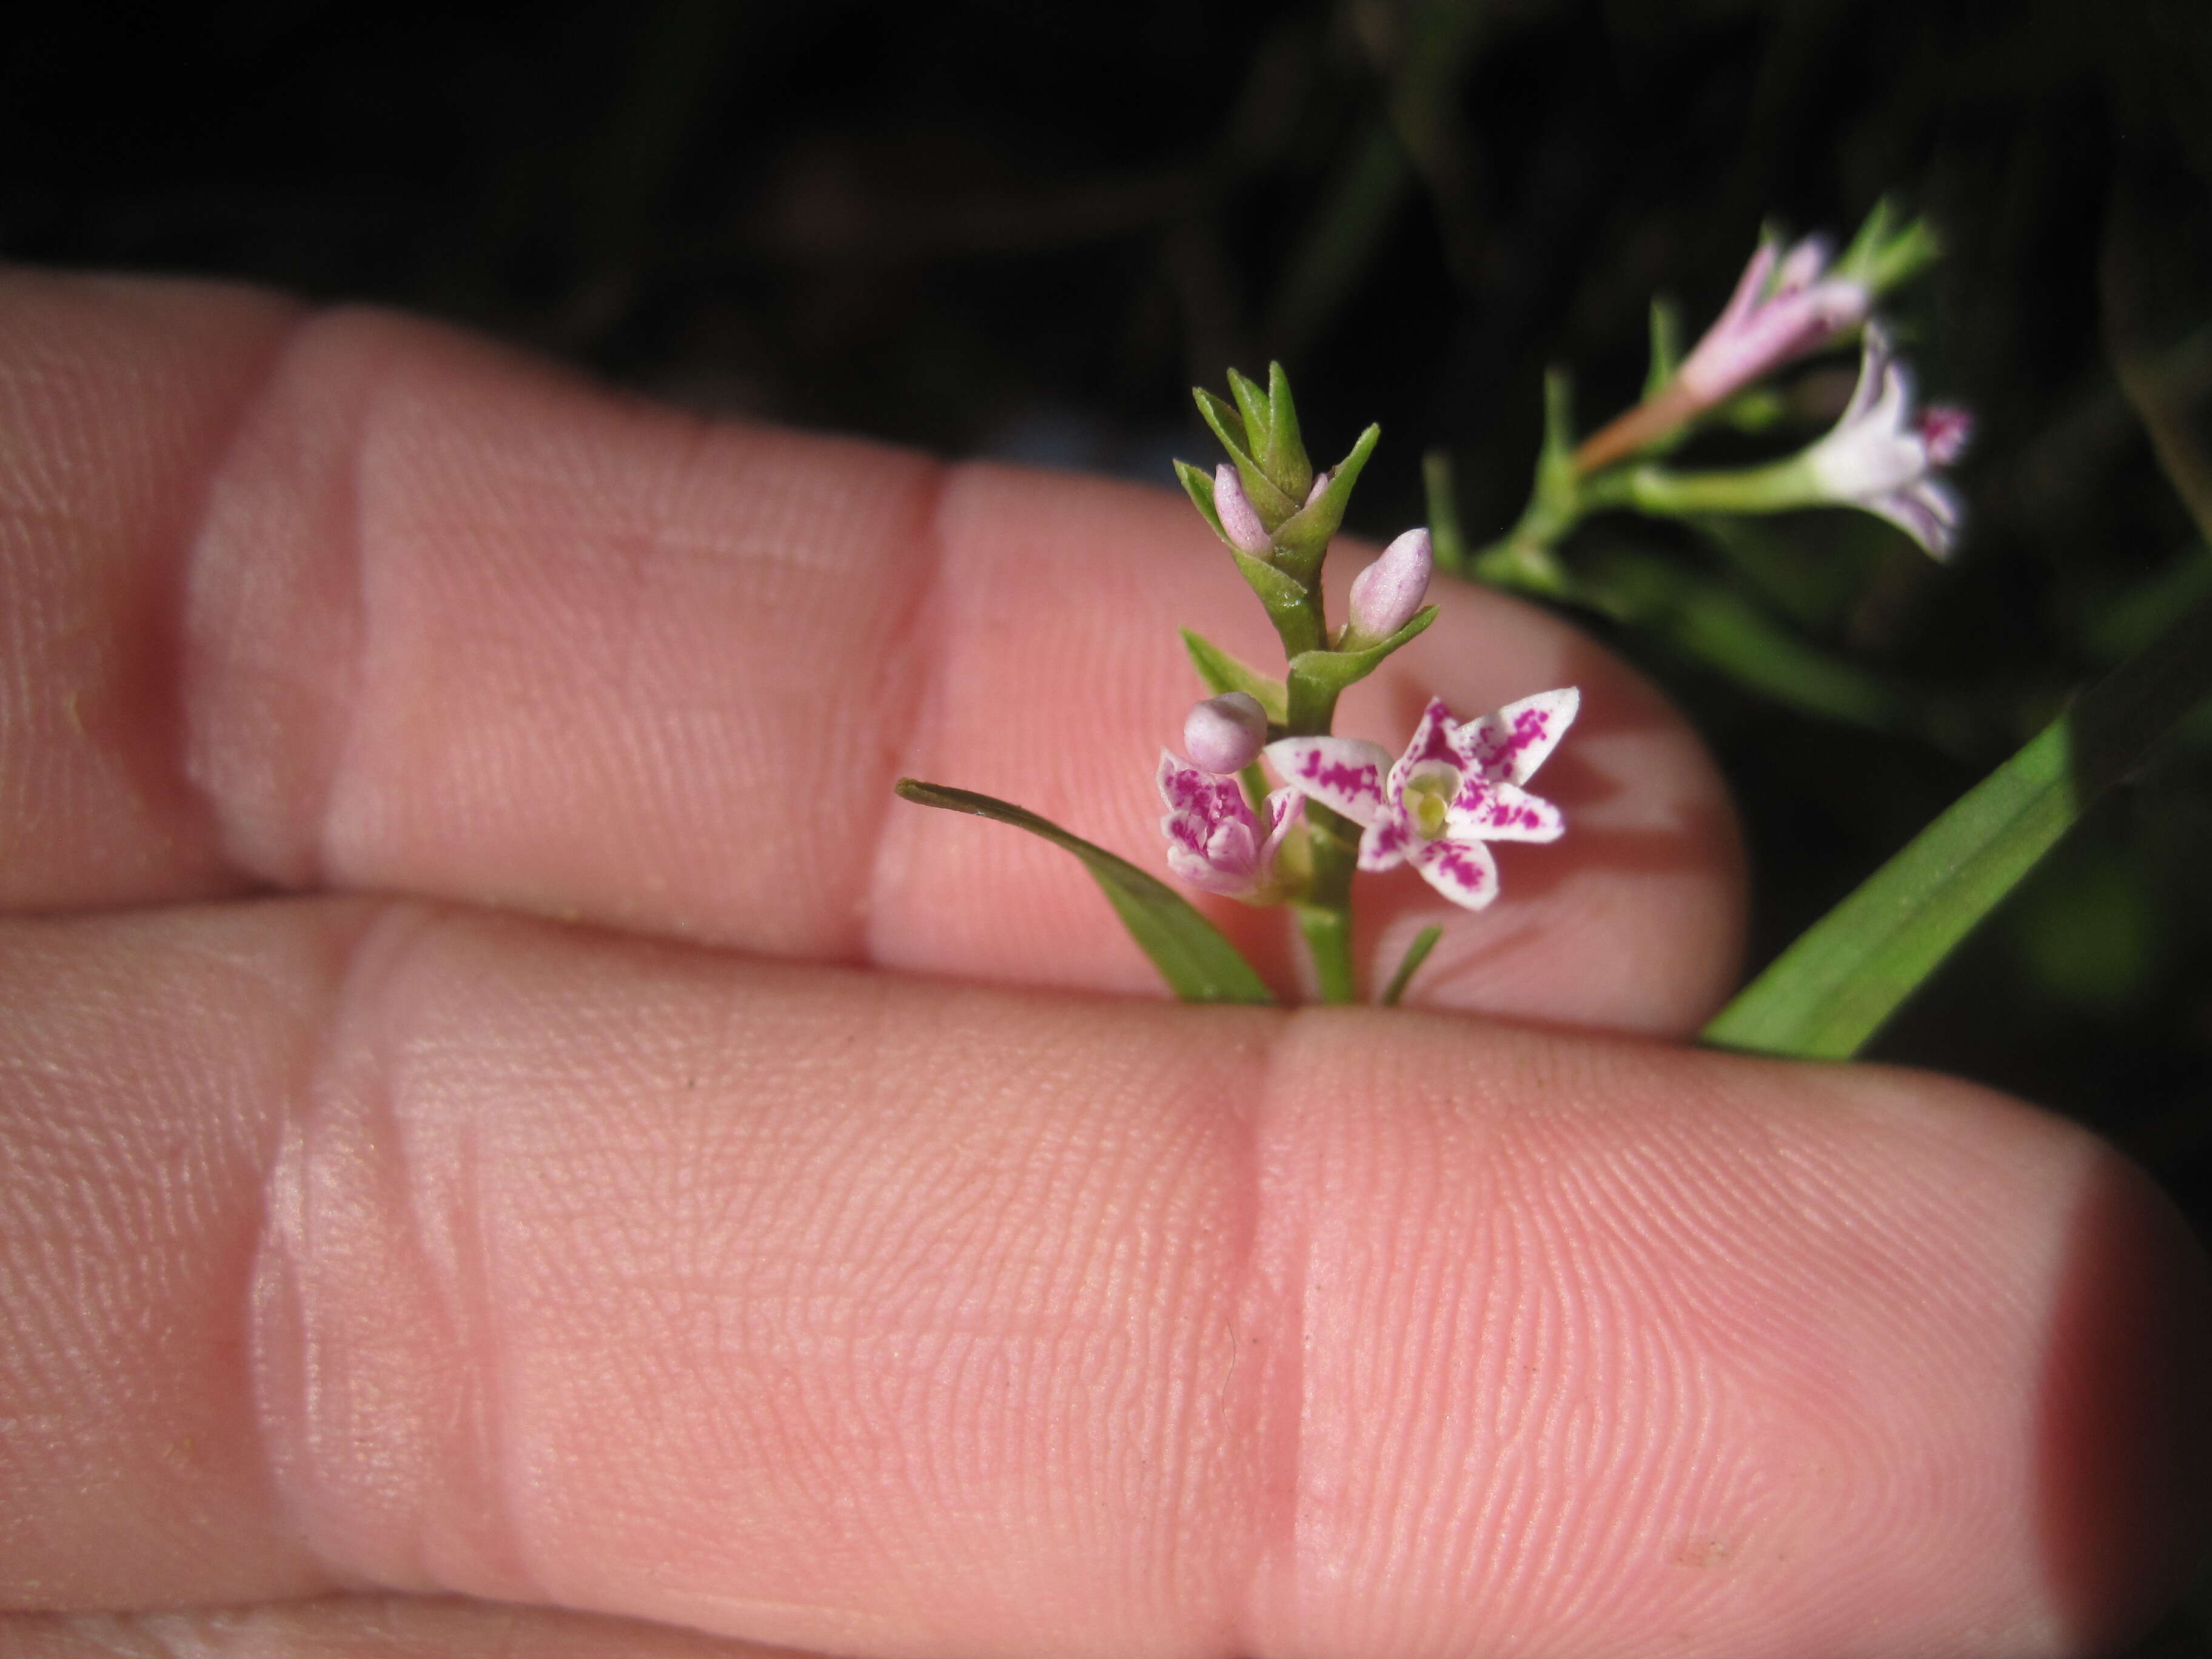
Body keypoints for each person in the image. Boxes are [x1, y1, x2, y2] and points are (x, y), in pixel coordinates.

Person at [1, 266, 2204, 1659]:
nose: (1450, 812)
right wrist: (1295, 809)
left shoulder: (1415, 780)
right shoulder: (1328, 790)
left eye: (1445, 796)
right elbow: (1297, 800)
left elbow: (1396, 785)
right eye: (1417, 796)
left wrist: (1364, 801)